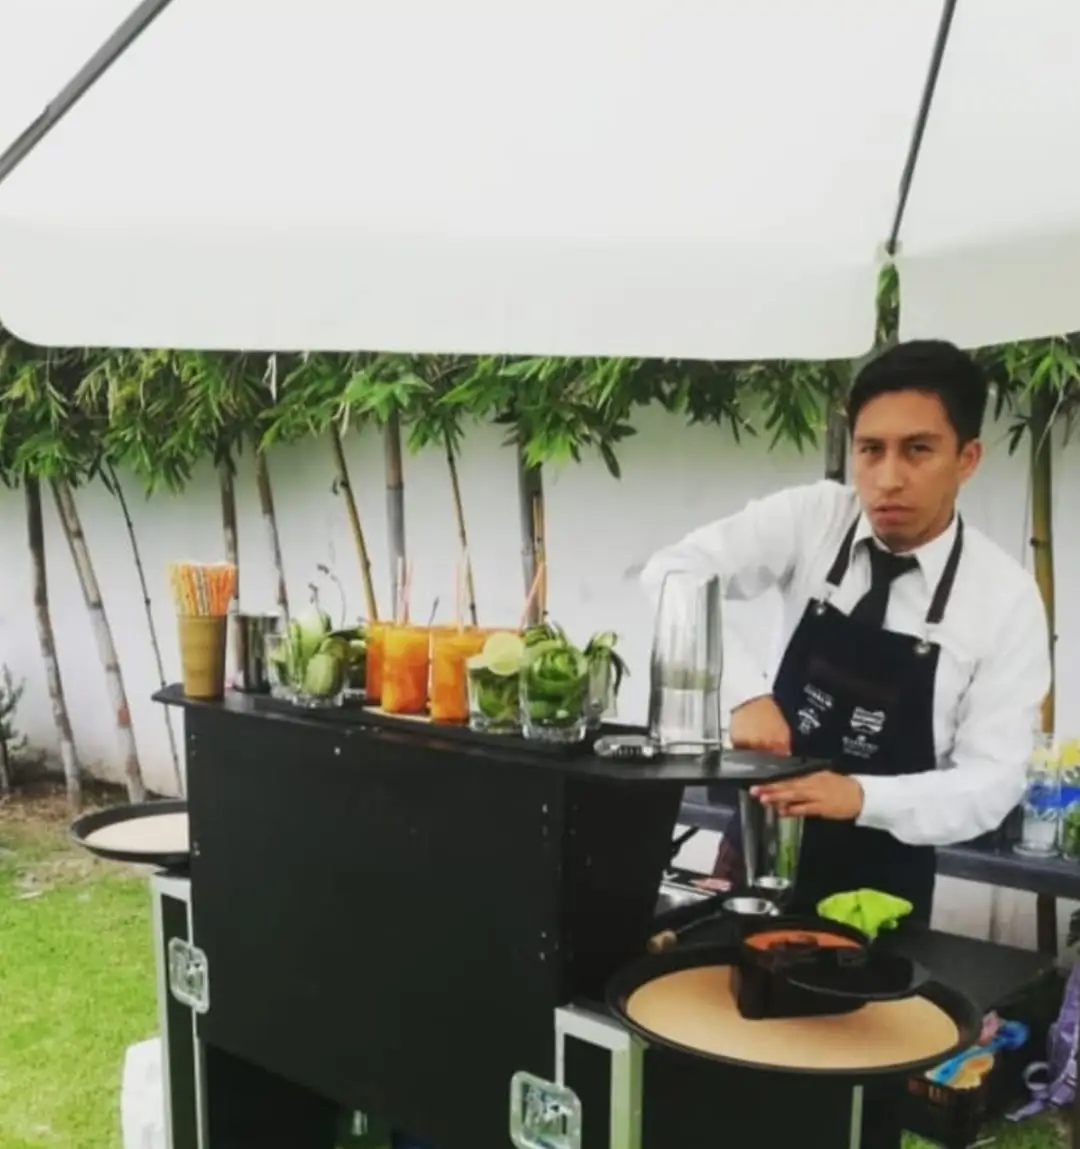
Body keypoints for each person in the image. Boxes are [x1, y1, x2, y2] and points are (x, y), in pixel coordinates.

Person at [640, 339, 1051, 1146]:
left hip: (886, 877)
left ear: (968, 457)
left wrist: (860, 795)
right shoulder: (813, 519)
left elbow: (993, 780)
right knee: (716, 1065)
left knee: (848, 1100)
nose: (887, 478)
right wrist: (744, 689)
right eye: (870, 450)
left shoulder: (1003, 601)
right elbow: (675, 571)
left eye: (917, 450)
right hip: (757, 845)